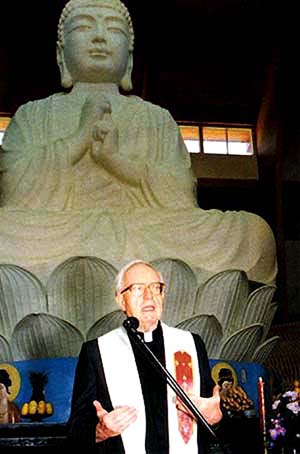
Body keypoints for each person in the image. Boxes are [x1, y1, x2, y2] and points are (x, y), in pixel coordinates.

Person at [0, 0, 277, 288]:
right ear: (61, 54)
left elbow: (180, 201)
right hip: (58, 234)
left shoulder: (157, 118)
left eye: (112, 28)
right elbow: (17, 195)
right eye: (84, 27)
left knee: (253, 234)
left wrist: (117, 162)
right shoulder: (33, 115)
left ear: (129, 58)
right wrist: (78, 139)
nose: (99, 37)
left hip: (150, 230)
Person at [67, 259, 224, 453]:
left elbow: (211, 415)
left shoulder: (191, 345)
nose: (148, 296)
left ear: (163, 295)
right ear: (120, 300)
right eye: (138, 289)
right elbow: (76, 432)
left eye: (155, 288)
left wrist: (215, 419)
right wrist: (101, 431)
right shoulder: (96, 352)